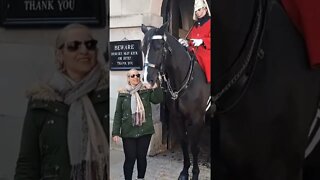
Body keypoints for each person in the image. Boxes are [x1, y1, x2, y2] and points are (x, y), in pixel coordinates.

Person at [14, 23, 109, 180]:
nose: (84, 50)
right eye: (74, 46)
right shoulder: (42, 101)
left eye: (90, 45)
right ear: (60, 55)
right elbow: (27, 165)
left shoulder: (107, 94)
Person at [112, 68, 163, 180]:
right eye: (133, 76)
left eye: (137, 75)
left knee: (141, 157)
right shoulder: (122, 94)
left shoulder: (146, 90)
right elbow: (118, 114)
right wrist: (115, 132)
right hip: (128, 131)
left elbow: (158, 99)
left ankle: (141, 178)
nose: (136, 78)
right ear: (128, 79)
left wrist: (157, 87)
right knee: (130, 158)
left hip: (144, 131)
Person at [179, 0, 211, 83]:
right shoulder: (195, 25)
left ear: (205, 9)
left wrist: (202, 41)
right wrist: (186, 42)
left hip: (206, 51)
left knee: (208, 60)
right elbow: (191, 41)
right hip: (193, 51)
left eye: (199, 10)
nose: (197, 12)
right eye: (196, 11)